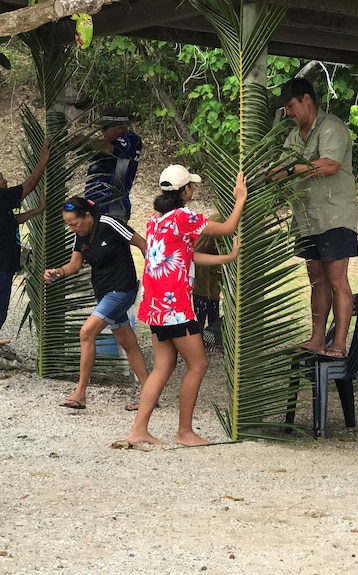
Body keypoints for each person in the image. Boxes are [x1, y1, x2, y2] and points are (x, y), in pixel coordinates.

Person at [127, 166, 245, 446]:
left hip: (155, 305)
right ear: (185, 192)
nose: (193, 190)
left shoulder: (155, 220)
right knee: (198, 363)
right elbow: (227, 228)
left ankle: (139, 430)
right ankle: (184, 432)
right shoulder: (185, 217)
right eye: (191, 186)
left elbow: (186, 256)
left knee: (163, 366)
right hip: (175, 306)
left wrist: (227, 259)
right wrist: (240, 198)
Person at [270, 77, 357, 358]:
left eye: (291, 105)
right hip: (307, 218)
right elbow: (279, 170)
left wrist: (292, 170)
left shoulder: (331, 127)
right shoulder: (294, 136)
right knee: (316, 278)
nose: (289, 112)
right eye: (285, 108)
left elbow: (329, 165)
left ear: (307, 99)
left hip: (334, 216)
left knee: (336, 279)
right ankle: (318, 338)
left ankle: (340, 343)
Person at [45, 197, 149, 410]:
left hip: (121, 290)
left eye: (74, 223)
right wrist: (57, 272)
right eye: (68, 224)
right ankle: (150, 394)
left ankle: (80, 394)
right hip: (103, 293)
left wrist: (155, 274)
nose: (72, 228)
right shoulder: (80, 236)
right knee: (128, 343)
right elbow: (74, 265)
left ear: (88, 216)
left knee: (86, 333)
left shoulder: (109, 224)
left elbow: (142, 244)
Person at [0, 139, 50, 333]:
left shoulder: (3, 206)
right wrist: (43, 161)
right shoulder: (1, 197)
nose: (5, 181)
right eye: (1, 179)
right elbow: (28, 186)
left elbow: (13, 221)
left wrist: (38, 210)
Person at [84, 107, 142, 222]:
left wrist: (80, 141)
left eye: (105, 128)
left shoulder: (131, 140)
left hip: (113, 207)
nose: (102, 132)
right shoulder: (106, 146)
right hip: (94, 207)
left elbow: (108, 148)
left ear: (120, 128)